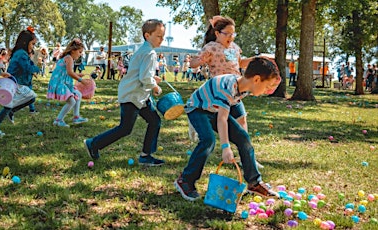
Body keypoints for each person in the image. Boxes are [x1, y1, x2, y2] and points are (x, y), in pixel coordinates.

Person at [174, 57, 281, 201]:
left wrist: (241, 138)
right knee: (208, 141)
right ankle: (185, 180)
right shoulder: (228, 88)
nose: (267, 90)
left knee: (243, 138)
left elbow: (236, 114)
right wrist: (226, 147)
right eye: (267, 85)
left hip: (214, 109)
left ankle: (254, 183)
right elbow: (222, 119)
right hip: (198, 108)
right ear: (256, 79)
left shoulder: (243, 88)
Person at [84, 19, 165, 166]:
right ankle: (93, 144)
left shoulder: (144, 50)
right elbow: (144, 77)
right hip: (132, 95)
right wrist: (155, 87)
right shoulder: (150, 53)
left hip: (139, 95)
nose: (162, 39)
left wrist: (152, 78)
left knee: (154, 121)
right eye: (158, 36)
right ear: (147, 35)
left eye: (163, 36)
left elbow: (141, 73)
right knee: (125, 128)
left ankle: (146, 156)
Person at [189, 16, 264, 168]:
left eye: (233, 34)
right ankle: (197, 124)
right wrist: (199, 61)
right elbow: (193, 63)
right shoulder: (211, 47)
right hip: (219, 92)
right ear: (217, 33)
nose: (231, 37)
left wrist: (255, 59)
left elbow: (240, 62)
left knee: (242, 119)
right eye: (227, 33)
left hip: (235, 91)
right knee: (220, 120)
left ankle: (247, 157)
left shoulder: (234, 48)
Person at [0, 26, 40, 135]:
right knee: (28, 98)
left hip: (15, 83)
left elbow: (28, 65)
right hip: (14, 83)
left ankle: (9, 113)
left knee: (28, 98)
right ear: (25, 42)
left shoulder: (21, 53)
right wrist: (37, 68)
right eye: (32, 44)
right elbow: (26, 67)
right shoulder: (21, 54)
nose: (33, 47)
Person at [47, 38, 89, 127]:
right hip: (60, 83)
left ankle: (76, 117)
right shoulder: (69, 58)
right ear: (73, 50)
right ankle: (58, 120)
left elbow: (67, 72)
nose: (80, 54)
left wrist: (77, 74)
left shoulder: (68, 58)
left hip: (63, 82)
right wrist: (81, 80)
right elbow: (70, 72)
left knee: (78, 94)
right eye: (80, 52)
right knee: (71, 101)